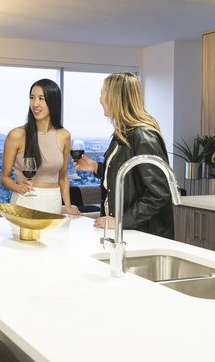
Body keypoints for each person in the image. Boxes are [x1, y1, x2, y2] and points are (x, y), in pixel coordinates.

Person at [73, 72, 174, 239]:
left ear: (115, 97)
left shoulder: (143, 136)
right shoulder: (122, 134)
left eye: (102, 93)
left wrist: (121, 221)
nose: (100, 99)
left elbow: (159, 193)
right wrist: (96, 168)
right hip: (126, 232)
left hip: (144, 235)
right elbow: (128, 175)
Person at [0, 79, 80, 216]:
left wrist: (68, 206)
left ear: (53, 102)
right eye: (32, 97)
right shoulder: (16, 135)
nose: (35, 103)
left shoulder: (64, 135)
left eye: (41, 99)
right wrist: (18, 188)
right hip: (25, 202)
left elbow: (63, 177)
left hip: (54, 202)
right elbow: (4, 178)